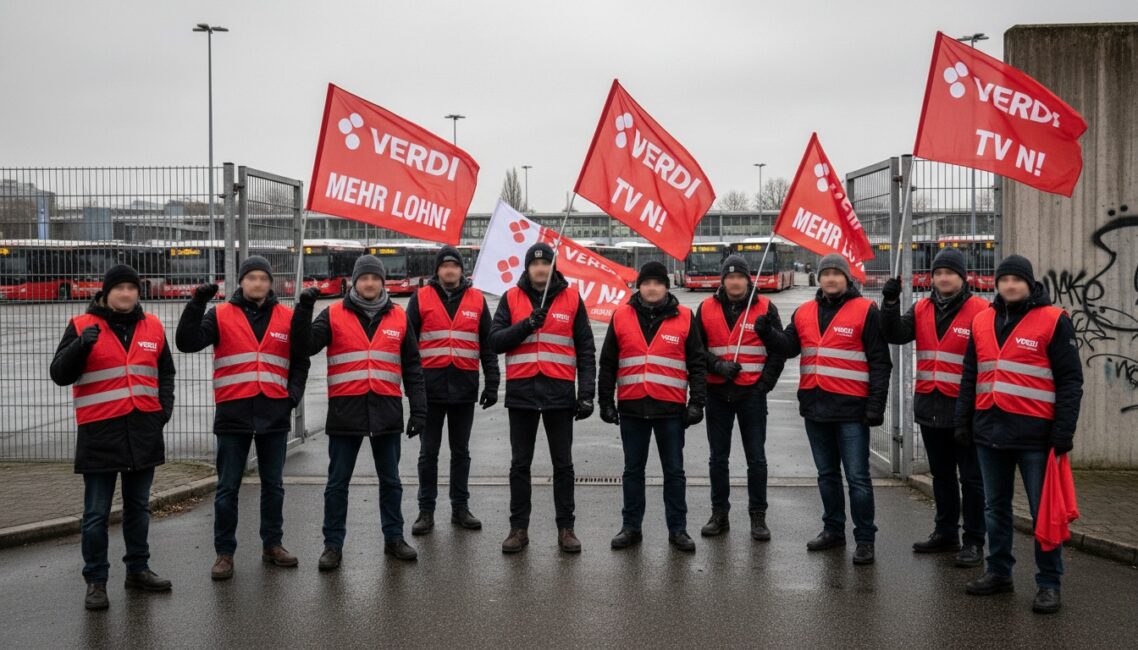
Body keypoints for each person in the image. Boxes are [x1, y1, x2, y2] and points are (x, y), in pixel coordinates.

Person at [956, 254, 1083, 614]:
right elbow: (970, 375)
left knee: (1045, 512)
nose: (1010, 286)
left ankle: (1048, 583)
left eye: (1017, 280)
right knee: (994, 508)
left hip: (1036, 437)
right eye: (1004, 280)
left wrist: (1063, 430)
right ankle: (998, 572)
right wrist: (963, 423)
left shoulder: (1054, 320)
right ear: (996, 284)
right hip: (988, 431)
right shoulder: (982, 321)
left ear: (1029, 283)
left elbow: (1071, 380)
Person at [176, 255, 310, 579]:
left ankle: (272, 545)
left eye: (264, 278)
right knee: (227, 489)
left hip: (273, 413)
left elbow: (301, 360)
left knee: (273, 486)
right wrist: (196, 304)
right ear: (241, 282)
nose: (258, 284)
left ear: (270, 282)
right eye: (252, 278)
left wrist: (291, 398)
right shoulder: (220, 314)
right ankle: (224, 553)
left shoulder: (286, 316)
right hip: (233, 413)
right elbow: (186, 341)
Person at [50, 264, 175, 610]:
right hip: (100, 434)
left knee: (138, 508)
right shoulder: (81, 326)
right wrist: (79, 349)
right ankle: (96, 581)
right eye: (119, 288)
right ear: (106, 293)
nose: (126, 293)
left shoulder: (153, 326)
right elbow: (59, 374)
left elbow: (166, 372)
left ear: (138, 292)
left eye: (131, 288)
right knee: (95, 514)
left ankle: (138, 569)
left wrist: (163, 412)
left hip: (143, 433)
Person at [291, 254, 428, 567]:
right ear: (354, 281)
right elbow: (303, 346)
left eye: (374, 278)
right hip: (345, 411)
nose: (369, 283)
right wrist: (303, 308)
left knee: (391, 481)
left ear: (381, 282)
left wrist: (419, 411)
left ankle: (394, 538)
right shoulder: (333, 313)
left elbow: (412, 367)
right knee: (337, 483)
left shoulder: (398, 317)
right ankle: (332, 545)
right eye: (364, 278)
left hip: (386, 411)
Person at [764, 253, 891, 565]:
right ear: (818, 278)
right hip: (815, 408)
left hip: (852, 410)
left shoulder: (865, 311)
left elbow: (880, 362)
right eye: (826, 274)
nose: (831, 279)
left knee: (858, 477)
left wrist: (876, 406)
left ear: (847, 278)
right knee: (826, 475)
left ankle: (864, 538)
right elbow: (790, 347)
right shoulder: (805, 312)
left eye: (837, 273)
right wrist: (767, 333)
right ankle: (833, 530)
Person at [880, 247, 988, 567]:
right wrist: (888, 303)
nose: (942, 278)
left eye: (949, 273)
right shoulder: (921, 308)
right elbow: (895, 334)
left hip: (966, 409)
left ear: (962, 277)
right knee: (941, 475)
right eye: (938, 273)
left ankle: (973, 540)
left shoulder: (981, 310)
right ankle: (945, 532)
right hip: (931, 405)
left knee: (971, 479)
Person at [488, 242, 596, 554]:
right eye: (535, 264)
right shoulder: (511, 297)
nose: (540, 268)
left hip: (559, 394)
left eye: (545, 263)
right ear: (527, 267)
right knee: (520, 465)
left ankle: (566, 529)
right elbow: (495, 341)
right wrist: (526, 325)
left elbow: (586, 350)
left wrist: (586, 394)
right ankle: (518, 529)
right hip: (522, 394)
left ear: (552, 266)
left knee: (563, 465)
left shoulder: (572, 297)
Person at [597, 261, 707, 552]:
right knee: (633, 471)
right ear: (639, 286)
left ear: (666, 287)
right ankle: (631, 527)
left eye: (658, 282)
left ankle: (678, 529)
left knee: (674, 472)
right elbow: (607, 362)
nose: (652, 287)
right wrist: (605, 401)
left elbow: (697, 363)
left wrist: (697, 402)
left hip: (670, 410)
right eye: (647, 282)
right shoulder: (621, 315)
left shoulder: (684, 316)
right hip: (632, 407)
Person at [405, 246, 500, 534]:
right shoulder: (420, 298)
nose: (449, 270)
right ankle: (426, 511)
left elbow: (488, 344)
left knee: (461, 452)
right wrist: (413, 391)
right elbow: (408, 349)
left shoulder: (476, 299)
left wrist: (493, 383)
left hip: (463, 388)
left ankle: (460, 507)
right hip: (429, 391)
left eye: (454, 266)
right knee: (428, 453)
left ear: (461, 270)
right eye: (444, 266)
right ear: (437, 270)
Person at [695, 254, 786, 541]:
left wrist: (764, 385)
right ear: (723, 280)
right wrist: (718, 365)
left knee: (756, 459)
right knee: (718, 459)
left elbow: (778, 350)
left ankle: (758, 517)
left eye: (740, 277)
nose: (735, 282)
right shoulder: (705, 307)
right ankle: (719, 514)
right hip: (718, 393)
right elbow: (696, 351)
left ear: (748, 279)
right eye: (729, 277)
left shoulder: (766, 308)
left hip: (751, 395)